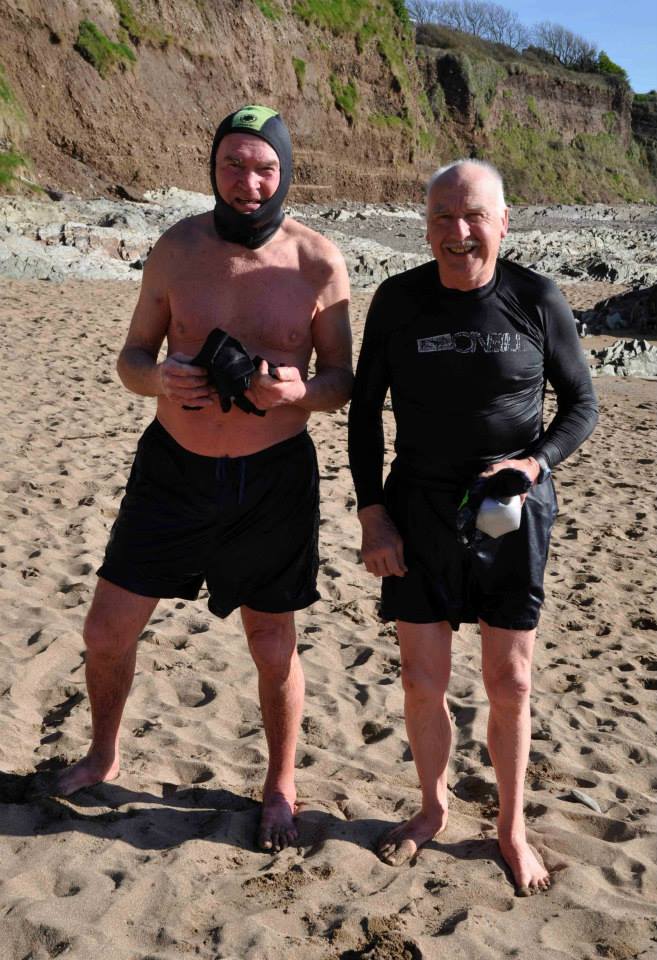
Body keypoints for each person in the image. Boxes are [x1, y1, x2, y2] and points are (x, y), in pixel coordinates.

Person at [55, 105, 353, 853]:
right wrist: (158, 379)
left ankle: (280, 784)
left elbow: (344, 378)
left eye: (264, 168)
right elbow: (130, 358)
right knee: (105, 631)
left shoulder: (318, 261)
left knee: (272, 643)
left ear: (284, 171)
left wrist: (298, 393)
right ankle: (103, 751)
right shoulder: (176, 249)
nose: (248, 183)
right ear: (212, 167)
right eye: (233, 165)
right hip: (174, 471)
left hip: (273, 479)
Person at [348, 159, 597, 895]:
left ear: (502, 222)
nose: (457, 235)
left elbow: (580, 404)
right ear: (424, 225)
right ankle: (431, 808)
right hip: (417, 509)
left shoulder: (535, 298)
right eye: (441, 220)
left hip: (509, 510)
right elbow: (364, 415)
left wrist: (534, 463)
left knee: (509, 681)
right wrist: (372, 514)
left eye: (473, 218)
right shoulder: (397, 301)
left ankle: (511, 828)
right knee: (422, 680)